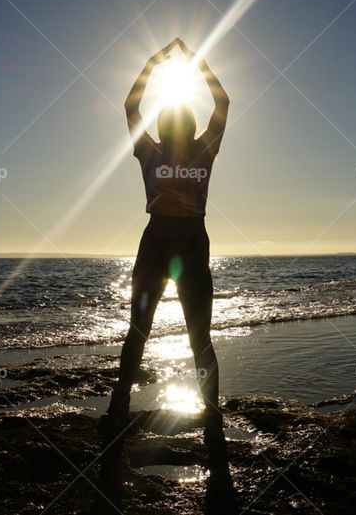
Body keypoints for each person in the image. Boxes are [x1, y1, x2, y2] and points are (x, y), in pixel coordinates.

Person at [102, 37, 230, 437]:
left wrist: (196, 62)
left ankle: (211, 412)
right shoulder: (149, 152)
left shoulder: (203, 151)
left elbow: (222, 104)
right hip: (160, 242)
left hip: (188, 244)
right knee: (138, 328)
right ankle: (118, 408)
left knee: (198, 335)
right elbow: (129, 107)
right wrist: (153, 63)